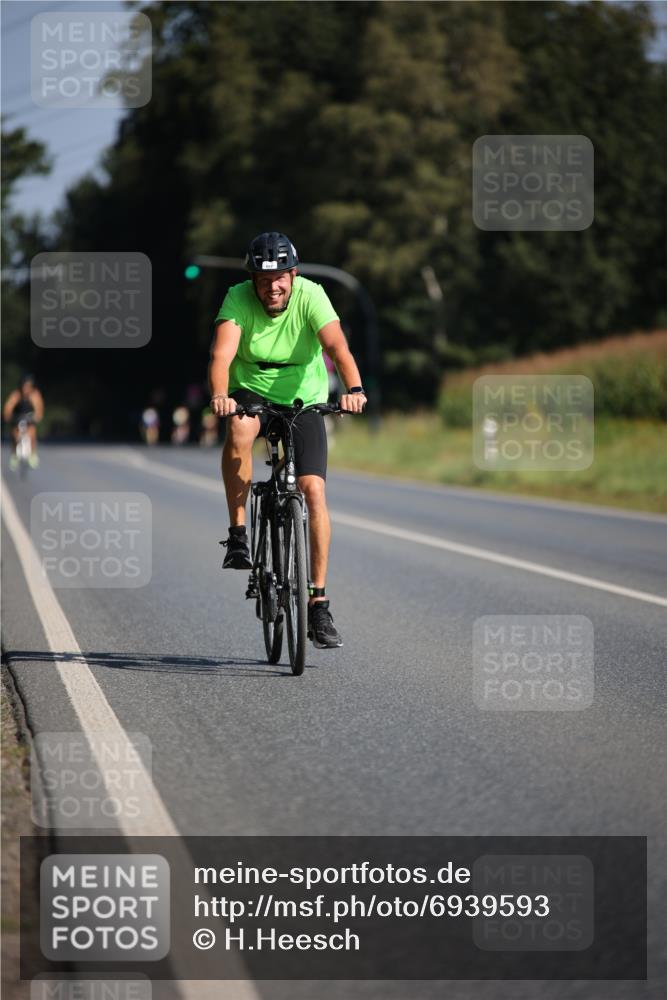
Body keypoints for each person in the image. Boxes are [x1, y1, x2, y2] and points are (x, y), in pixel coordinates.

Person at [209, 231, 367, 649]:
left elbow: (337, 345)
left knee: (312, 490)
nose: (273, 287)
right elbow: (222, 355)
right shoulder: (237, 299)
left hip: (304, 398)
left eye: (280, 277)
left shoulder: (312, 296)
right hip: (251, 392)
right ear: (252, 281)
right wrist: (221, 396)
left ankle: (318, 603)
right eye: (264, 280)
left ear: (293, 275)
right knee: (241, 428)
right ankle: (239, 535)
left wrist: (354, 389)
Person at [3, 374, 44, 469]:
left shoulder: (34, 394)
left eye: (29, 386)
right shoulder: (17, 394)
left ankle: (33, 454)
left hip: (30, 417)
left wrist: (38, 416)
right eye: (25, 386)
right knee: (14, 434)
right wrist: (7, 415)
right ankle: (14, 455)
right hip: (18, 417)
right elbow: (9, 406)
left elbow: (39, 406)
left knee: (32, 433)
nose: (26, 389)